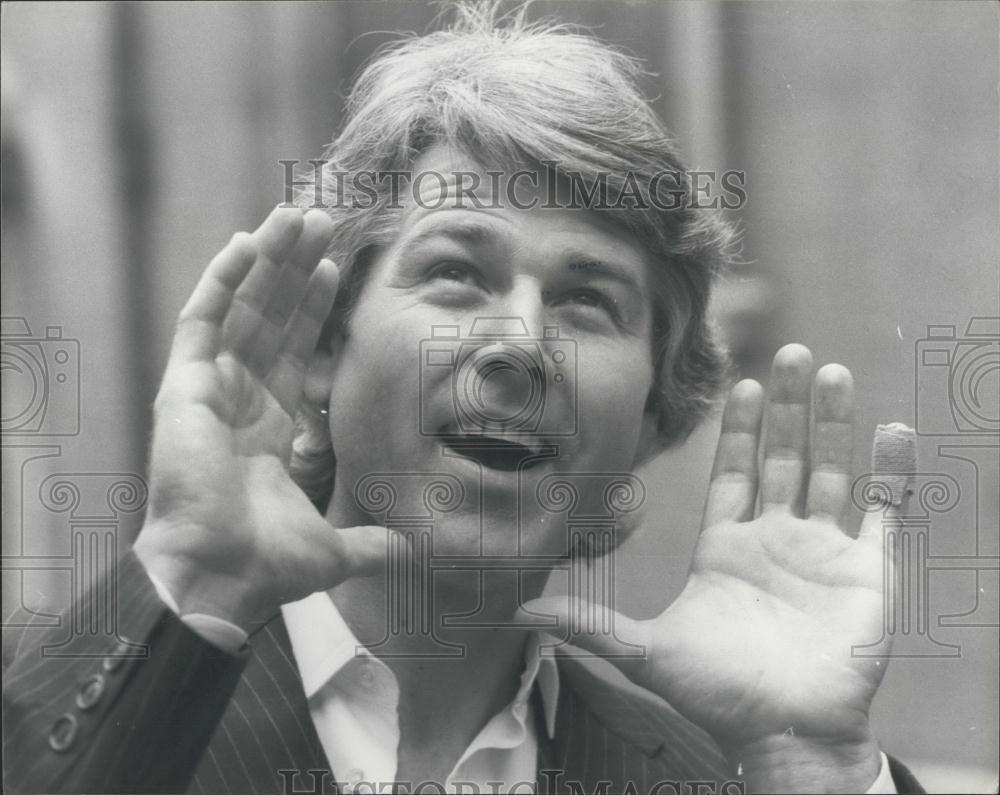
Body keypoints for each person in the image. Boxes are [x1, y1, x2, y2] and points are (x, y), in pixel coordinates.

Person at [3, 5, 924, 794]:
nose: (521, 344)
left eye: (586, 299)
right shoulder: (60, 687)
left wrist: (812, 763)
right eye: (454, 272)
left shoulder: (696, 772)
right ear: (323, 342)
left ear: (651, 417)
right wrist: (191, 582)